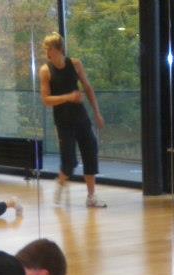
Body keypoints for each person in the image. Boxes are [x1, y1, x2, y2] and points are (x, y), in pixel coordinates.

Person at [39, 32, 106, 209]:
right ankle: (60, 184)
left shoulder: (75, 64)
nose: (47, 53)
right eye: (46, 49)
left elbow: (88, 89)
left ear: (59, 49)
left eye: (49, 49)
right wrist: (68, 97)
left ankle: (91, 197)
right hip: (63, 121)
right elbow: (46, 100)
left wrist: (97, 113)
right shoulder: (45, 70)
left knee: (90, 153)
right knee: (69, 162)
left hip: (81, 118)